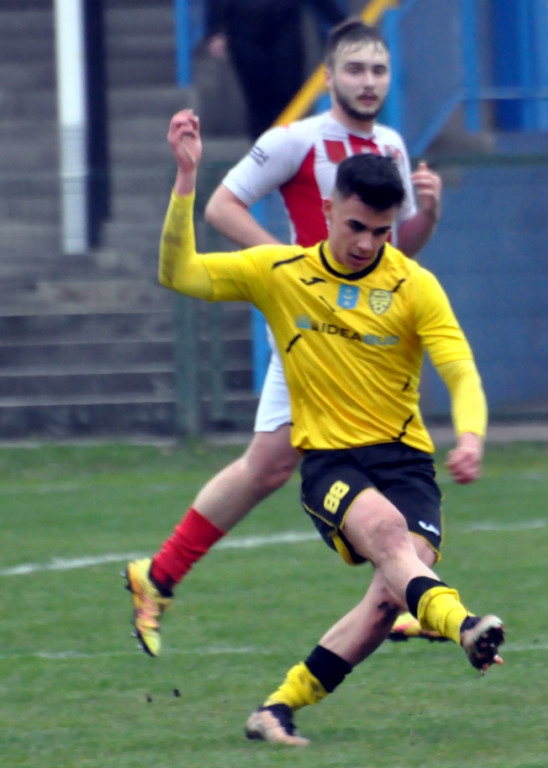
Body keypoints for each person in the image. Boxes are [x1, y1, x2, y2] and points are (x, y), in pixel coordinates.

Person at [159, 107, 505, 746]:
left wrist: (472, 434)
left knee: (387, 602)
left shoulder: (414, 285)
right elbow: (179, 273)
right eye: (355, 226)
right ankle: (463, 625)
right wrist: (186, 183)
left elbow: (461, 371)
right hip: (333, 465)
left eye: (380, 230)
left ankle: (276, 709)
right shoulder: (281, 273)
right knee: (388, 536)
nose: (367, 243)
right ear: (327, 204)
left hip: (406, 464)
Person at [125, 20, 444, 657]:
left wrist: (428, 214)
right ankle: (159, 574)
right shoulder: (296, 141)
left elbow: (396, 252)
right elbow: (221, 206)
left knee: (286, 464)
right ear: (328, 77)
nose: (368, 81)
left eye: (378, 70)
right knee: (272, 465)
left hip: (374, 338)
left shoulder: (392, 149)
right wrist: (289, 272)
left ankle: (160, 575)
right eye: (355, 69)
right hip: (312, 333)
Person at [205, 0, 347, 140]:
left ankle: (290, 147)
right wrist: (215, 30)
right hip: (243, 23)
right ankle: (263, 151)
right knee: (257, 95)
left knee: (288, 90)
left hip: (284, 21)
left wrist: (338, 20)